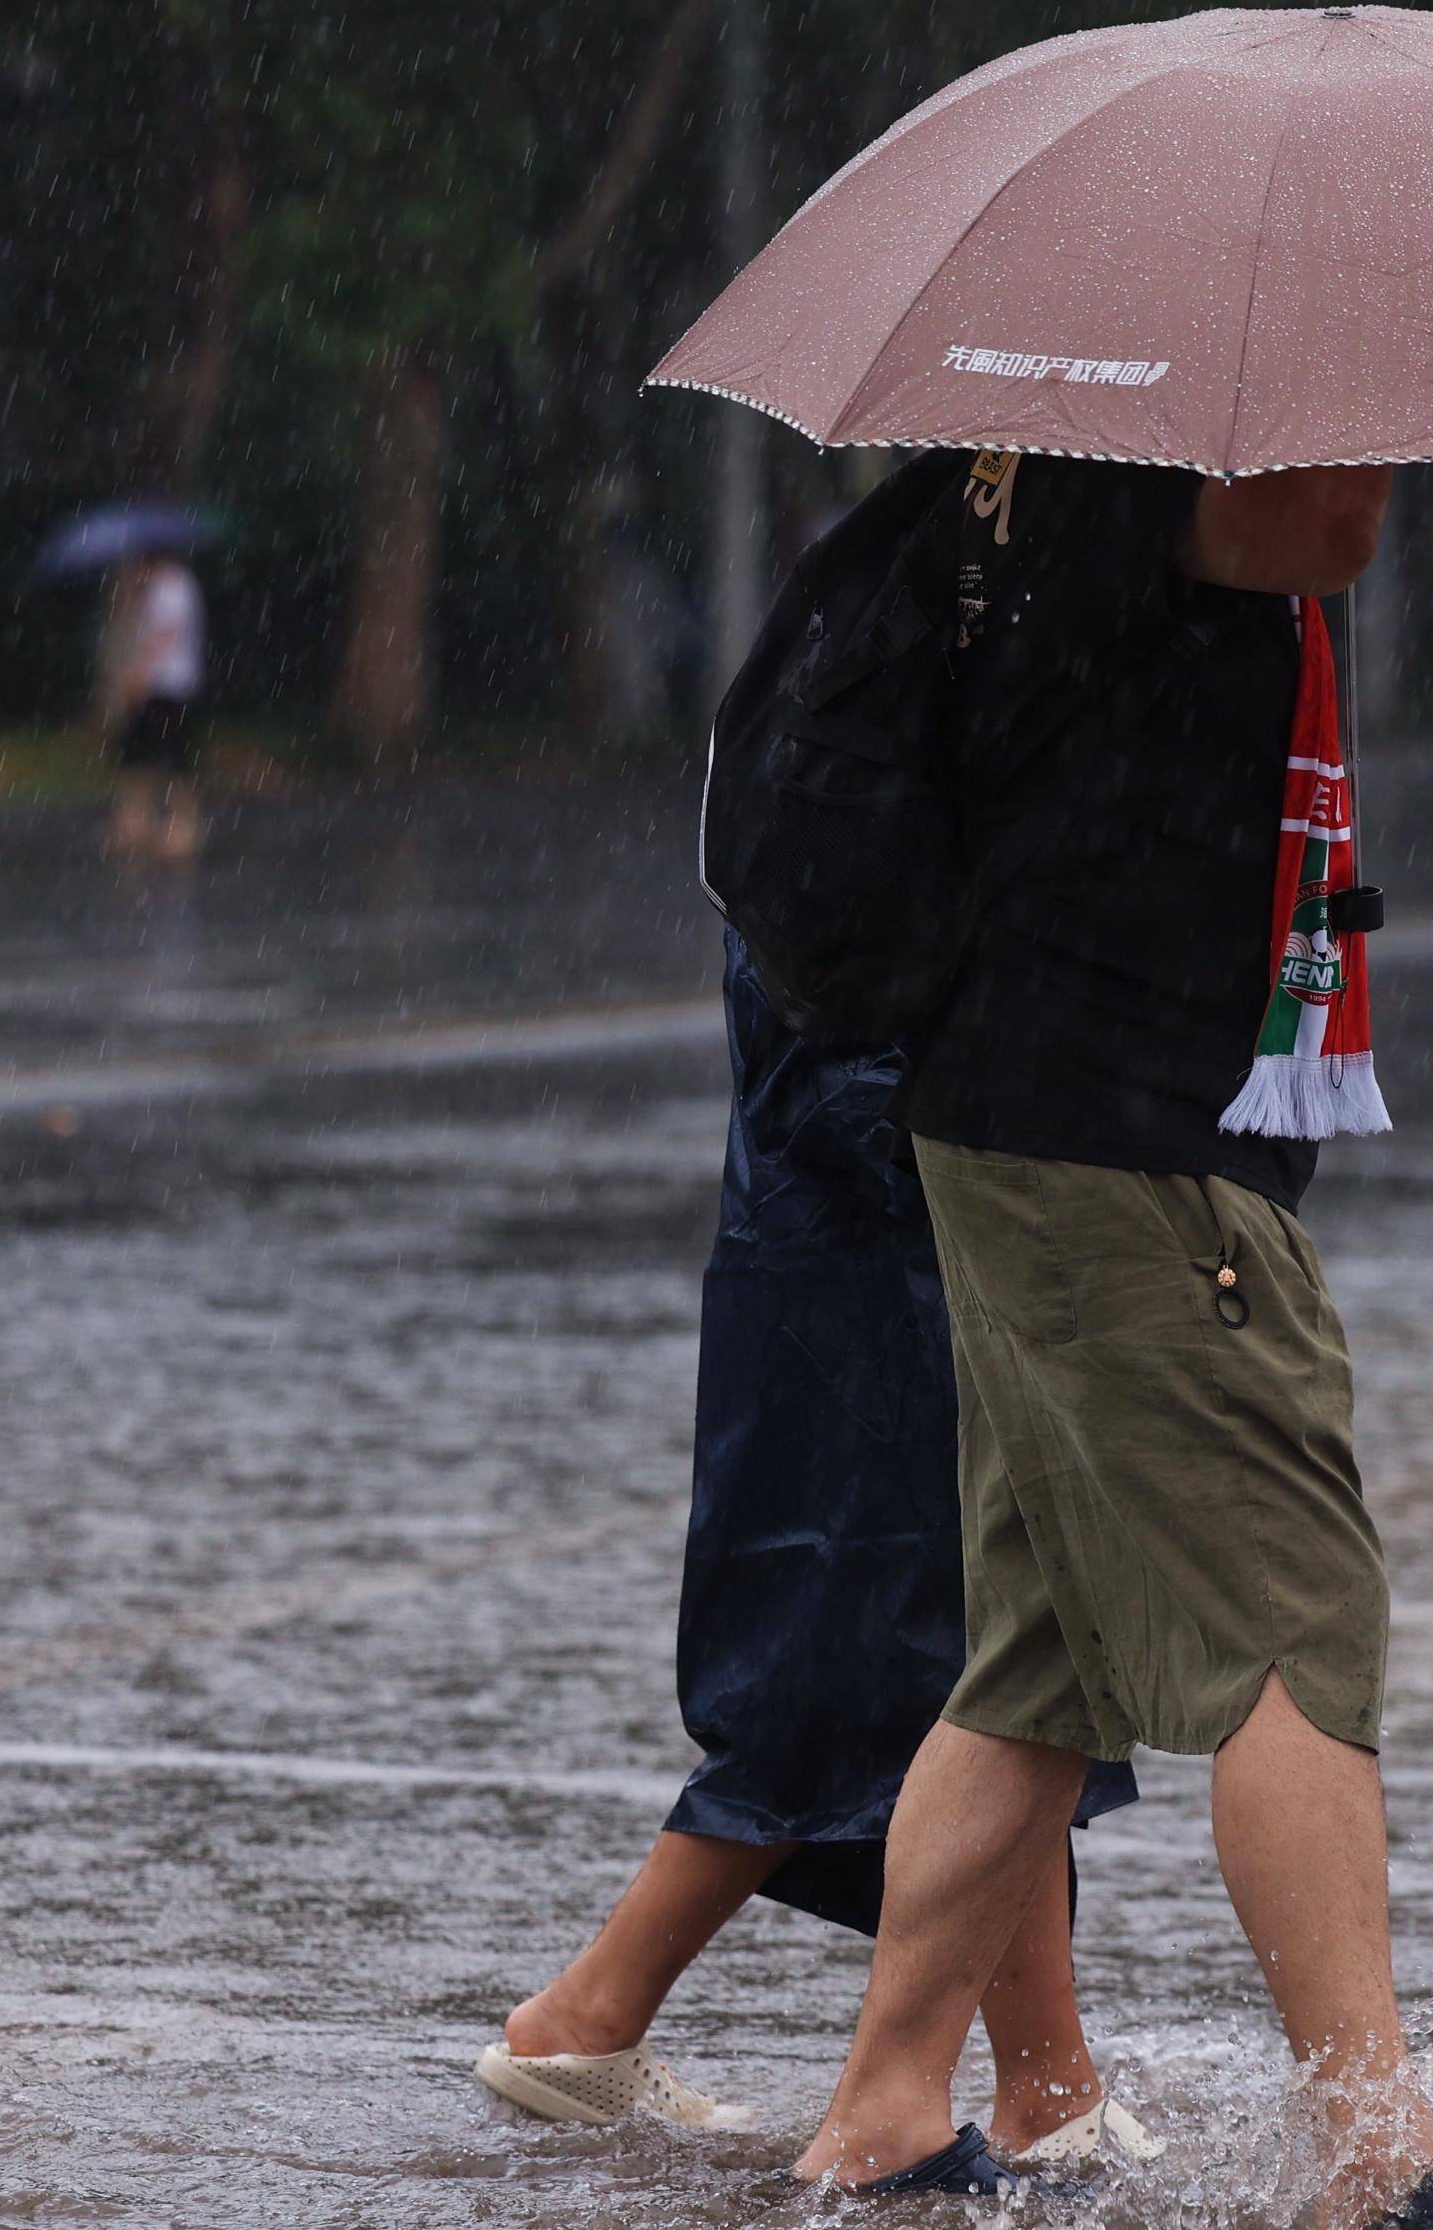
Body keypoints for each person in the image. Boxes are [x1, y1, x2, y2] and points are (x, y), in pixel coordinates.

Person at [783, 455, 1433, 2230]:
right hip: (1122, 1142)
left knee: (1037, 1665)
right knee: (1293, 1624)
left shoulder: (1028, 460)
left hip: (1032, 1112)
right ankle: (1380, 2151)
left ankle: (881, 2113)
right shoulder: (1134, 464)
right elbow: (1319, 528)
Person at [471, 886, 1157, 2165]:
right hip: (891, 1171)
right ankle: (596, 2013)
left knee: (939, 1628)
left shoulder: (815, 717)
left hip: (853, 1164)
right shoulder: (876, 717)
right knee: (939, 1632)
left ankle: (1043, 2082)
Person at [100, 551, 206, 861]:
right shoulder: (164, 586)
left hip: (167, 684)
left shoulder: (171, 585)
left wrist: (139, 672)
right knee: (139, 755)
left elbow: (166, 633)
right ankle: (135, 822)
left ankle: (181, 827)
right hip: (159, 685)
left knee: (172, 756)